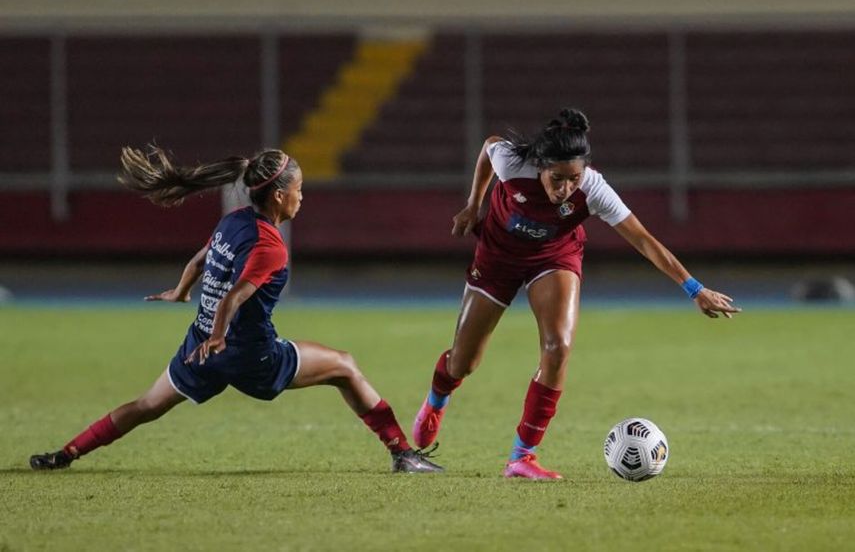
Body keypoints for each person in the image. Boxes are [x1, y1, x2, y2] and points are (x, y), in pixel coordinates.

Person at [30, 146, 442, 474]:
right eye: (299, 189)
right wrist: (219, 336)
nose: (302, 196)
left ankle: (66, 453)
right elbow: (235, 297)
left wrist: (182, 292)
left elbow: (200, 260)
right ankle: (402, 454)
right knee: (345, 366)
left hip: (200, 350)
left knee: (145, 407)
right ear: (279, 195)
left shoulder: (234, 220)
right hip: (249, 355)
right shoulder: (271, 247)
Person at [412, 108, 740, 480]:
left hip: (554, 257)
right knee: (464, 362)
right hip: (497, 256)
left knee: (558, 347)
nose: (566, 188)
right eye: (557, 178)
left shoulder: (594, 188)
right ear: (540, 167)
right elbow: (490, 147)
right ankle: (437, 399)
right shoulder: (513, 164)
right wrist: (474, 205)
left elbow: (643, 240)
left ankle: (522, 457)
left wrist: (694, 289)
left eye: (574, 178)